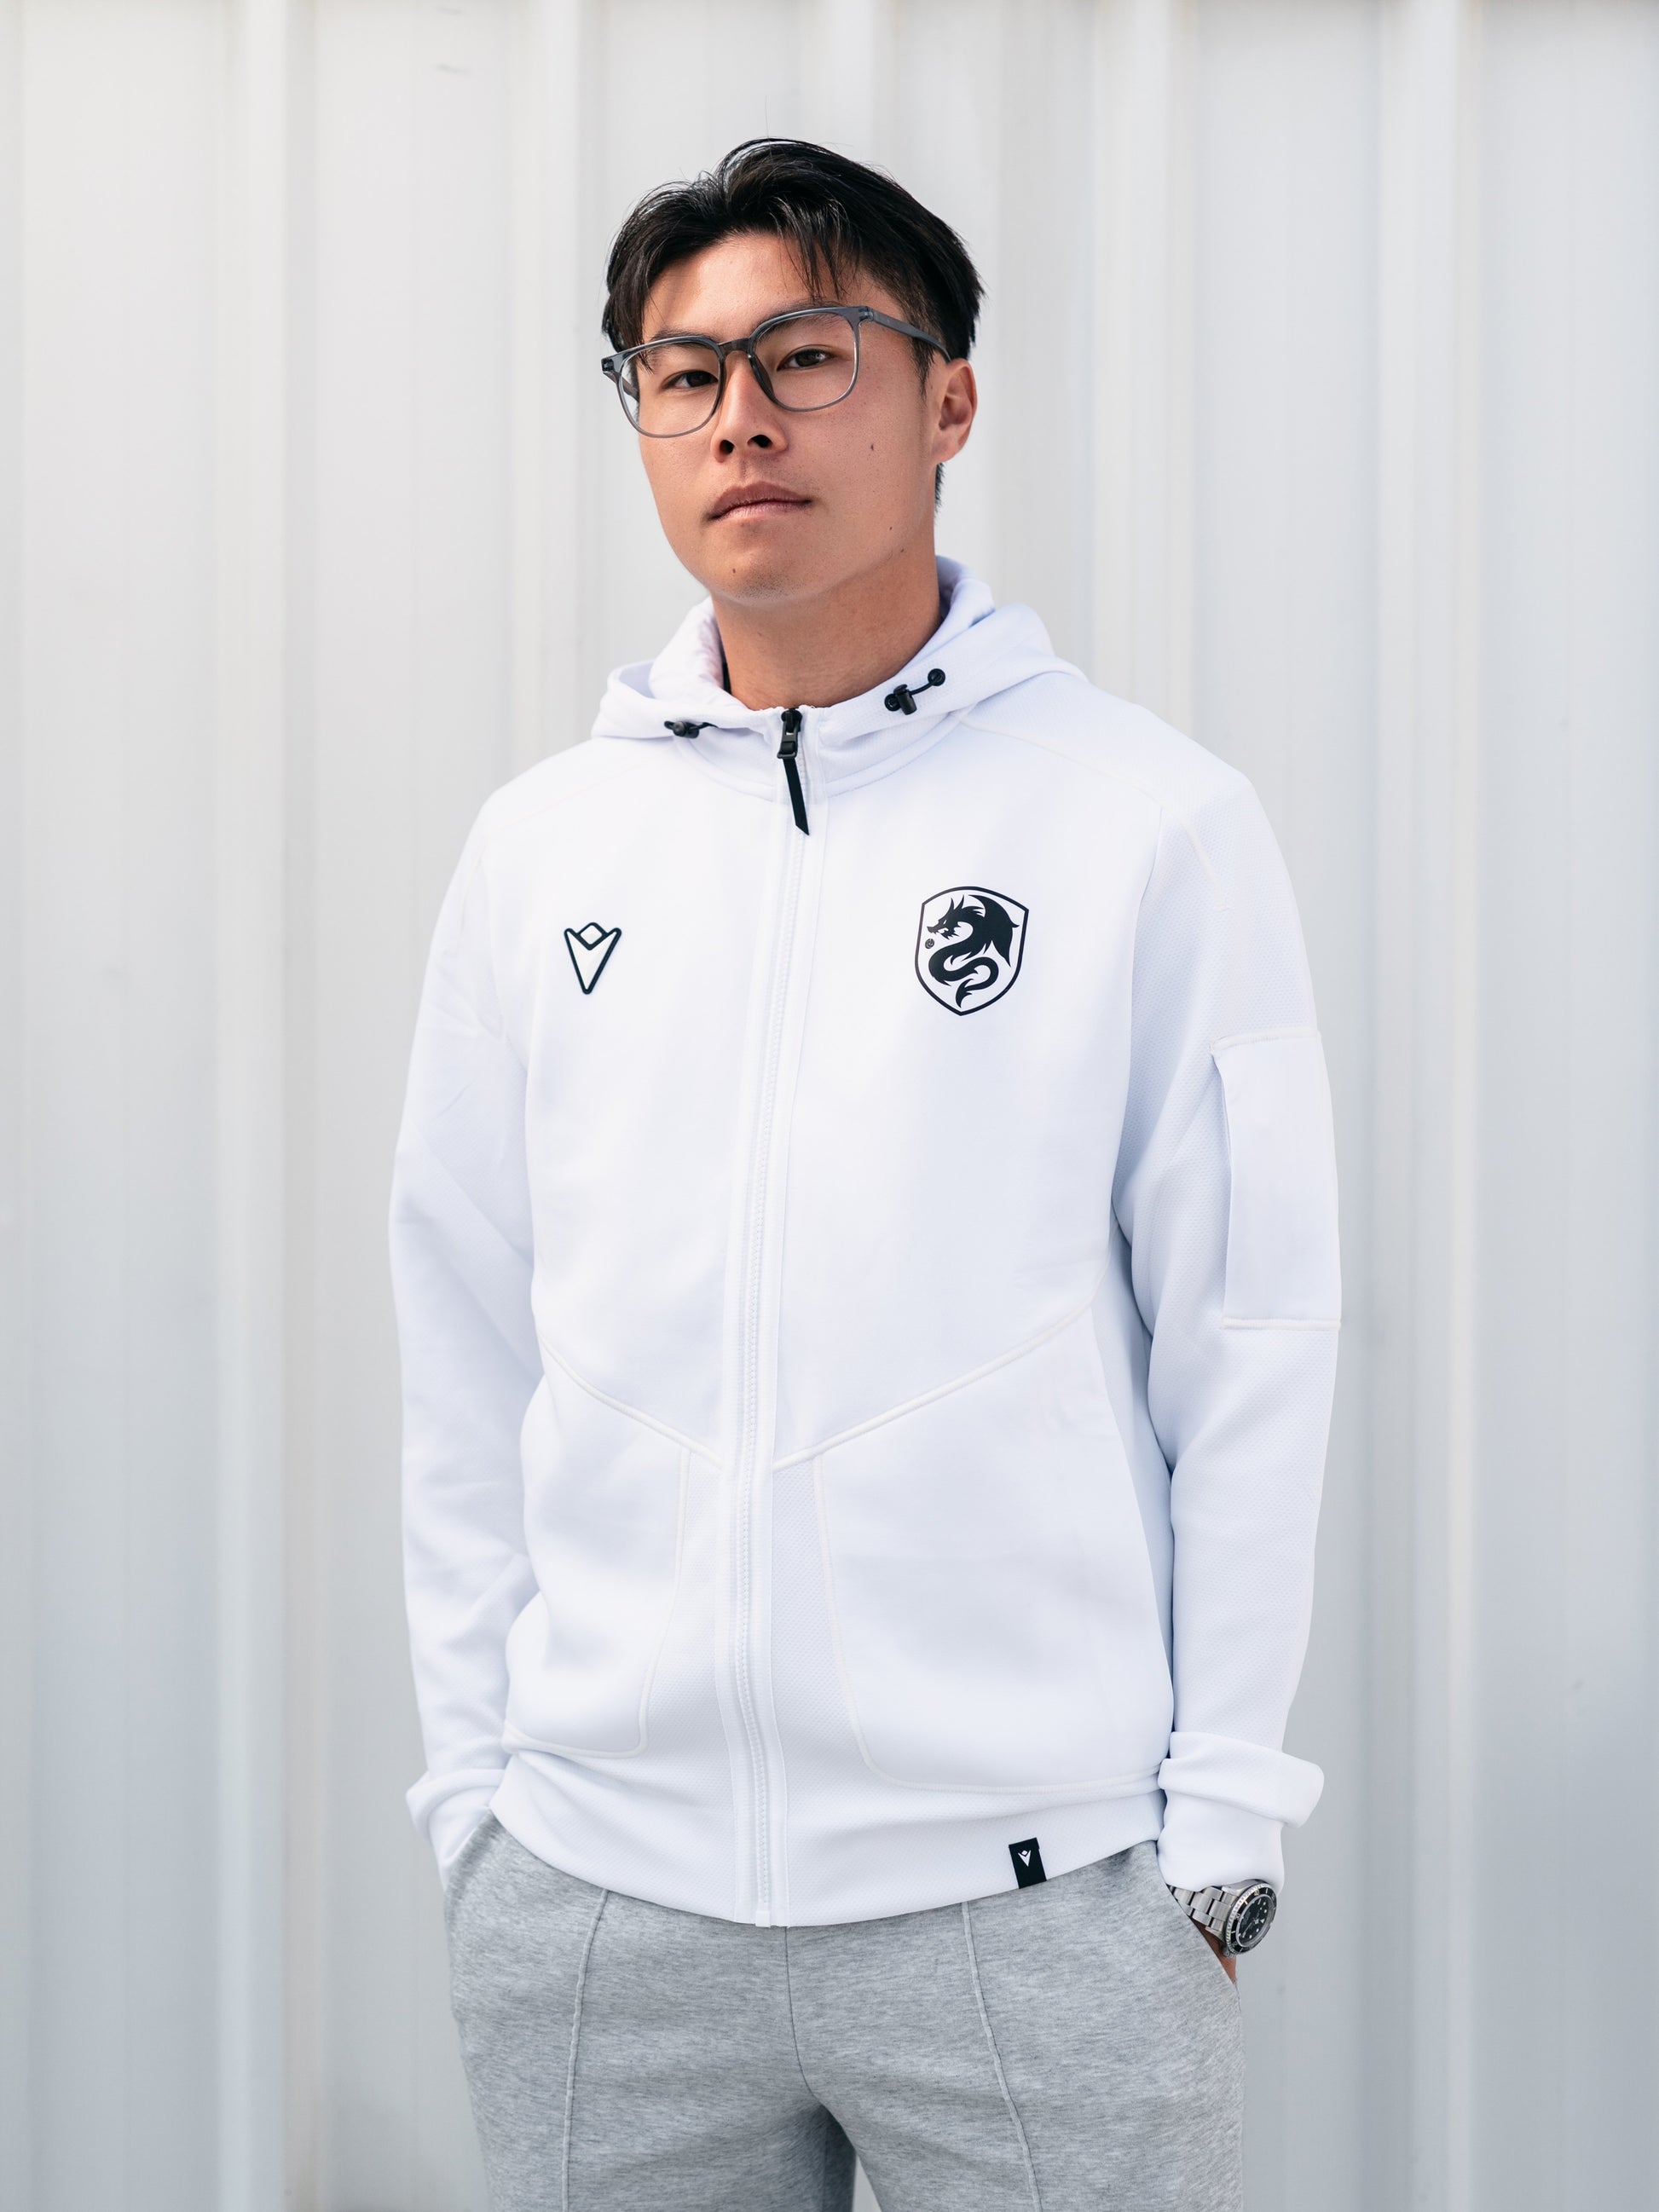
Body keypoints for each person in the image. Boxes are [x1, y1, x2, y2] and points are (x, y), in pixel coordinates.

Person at [390, 137, 1339, 2212]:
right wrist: (480, 1799)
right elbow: (464, 1336)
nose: (741, 415)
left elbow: (1250, 1334)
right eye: (682, 372)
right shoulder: (544, 847)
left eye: (807, 354)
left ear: (948, 399)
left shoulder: (1143, 821)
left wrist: (1218, 1820)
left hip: (1034, 1897)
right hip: (599, 1908)